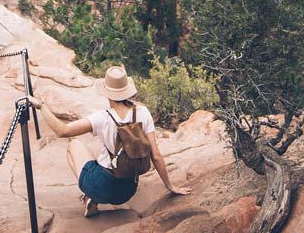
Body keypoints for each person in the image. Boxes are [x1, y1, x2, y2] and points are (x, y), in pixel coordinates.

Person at [29, 65, 191, 216]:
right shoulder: (143, 112)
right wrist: (170, 186)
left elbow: (62, 131)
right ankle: (92, 195)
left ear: (107, 93)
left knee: (74, 145)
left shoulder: (102, 118)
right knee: (95, 159)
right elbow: (156, 156)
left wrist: (41, 106)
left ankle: (89, 195)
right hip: (127, 189)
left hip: (102, 185)